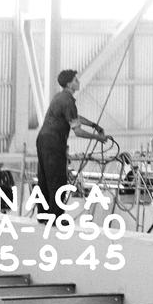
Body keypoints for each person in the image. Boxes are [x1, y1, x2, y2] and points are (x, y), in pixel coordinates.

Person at [36, 68, 105, 219]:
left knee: (45, 177)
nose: (78, 82)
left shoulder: (60, 98)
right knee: (58, 179)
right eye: (75, 80)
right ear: (69, 84)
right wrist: (98, 138)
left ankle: (43, 215)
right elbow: (77, 131)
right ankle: (56, 217)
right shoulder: (68, 101)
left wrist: (93, 125)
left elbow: (74, 116)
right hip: (54, 141)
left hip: (43, 139)